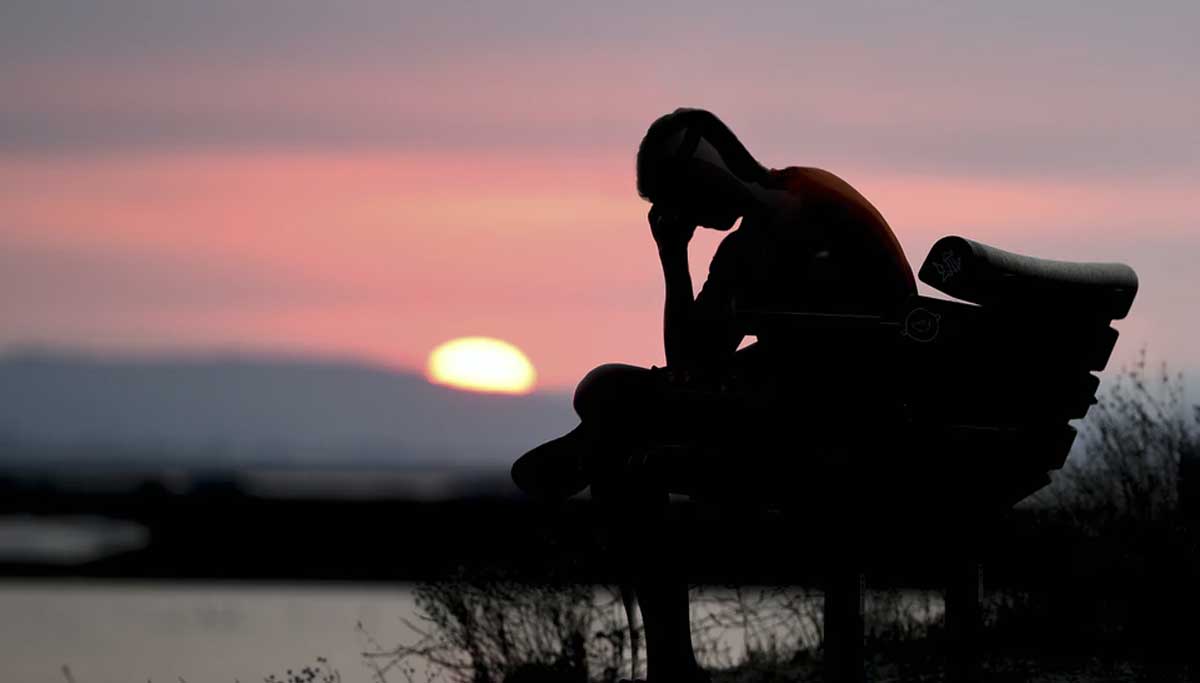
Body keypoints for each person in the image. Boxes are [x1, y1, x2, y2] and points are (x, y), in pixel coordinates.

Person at [511, 108, 916, 682]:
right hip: (809, 415)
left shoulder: (806, 198)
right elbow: (691, 365)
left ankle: (671, 662)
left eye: (682, 193)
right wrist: (672, 257)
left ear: (711, 172)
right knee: (615, 428)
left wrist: (727, 184)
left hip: (840, 425)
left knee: (611, 408)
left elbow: (791, 226)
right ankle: (672, 659)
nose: (687, 212)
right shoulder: (749, 242)